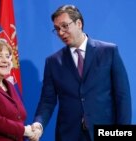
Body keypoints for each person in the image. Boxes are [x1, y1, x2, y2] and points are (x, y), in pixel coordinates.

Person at [30, 4, 132, 141]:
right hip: (68, 134)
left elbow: (122, 96)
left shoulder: (109, 51)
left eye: (65, 26)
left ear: (79, 23)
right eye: (57, 29)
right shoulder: (53, 62)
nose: (60, 33)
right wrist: (39, 124)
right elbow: (47, 100)